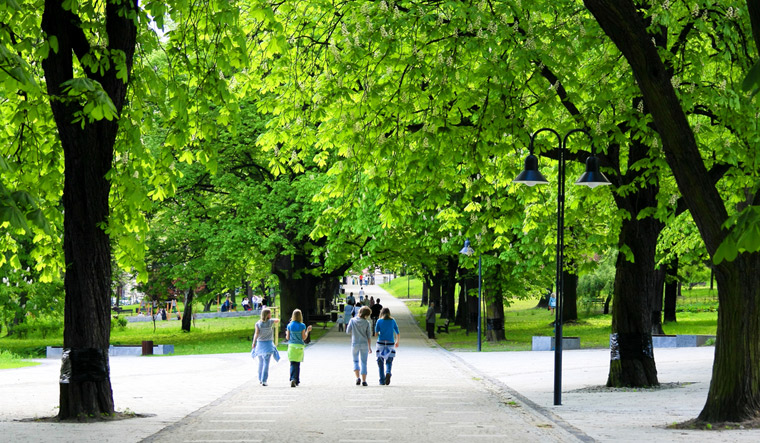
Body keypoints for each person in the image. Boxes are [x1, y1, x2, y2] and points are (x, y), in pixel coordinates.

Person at [252, 308, 280, 386]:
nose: (271, 315)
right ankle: (264, 380)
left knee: (261, 363)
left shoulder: (258, 324)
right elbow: (277, 320)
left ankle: (260, 379)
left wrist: (253, 343)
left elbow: (256, 334)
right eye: (270, 313)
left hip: (260, 344)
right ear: (267, 315)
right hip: (268, 345)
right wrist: (274, 319)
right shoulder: (270, 322)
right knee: (266, 363)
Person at [347, 306, 373, 386]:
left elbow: (348, 331)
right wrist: (369, 347)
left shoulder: (352, 320)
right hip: (364, 344)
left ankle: (357, 378)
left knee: (355, 361)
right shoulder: (367, 323)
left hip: (355, 343)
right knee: (364, 362)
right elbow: (369, 336)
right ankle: (364, 380)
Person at [286, 309, 312, 387]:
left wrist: (286, 334)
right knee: (297, 363)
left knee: (292, 363)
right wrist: (307, 331)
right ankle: (296, 379)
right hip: (299, 346)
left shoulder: (289, 325)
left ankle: (293, 378)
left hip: (292, 346)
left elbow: (287, 337)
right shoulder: (302, 325)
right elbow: (304, 338)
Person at [374, 307, 399, 386]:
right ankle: (388, 372)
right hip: (390, 343)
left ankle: (382, 380)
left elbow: (376, 333)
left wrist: (380, 333)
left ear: (381, 313)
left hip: (381, 343)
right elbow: (397, 332)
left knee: (380, 361)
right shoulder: (392, 321)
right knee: (389, 360)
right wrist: (397, 341)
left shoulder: (379, 321)